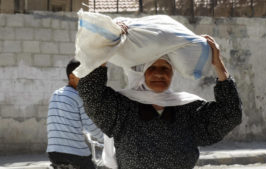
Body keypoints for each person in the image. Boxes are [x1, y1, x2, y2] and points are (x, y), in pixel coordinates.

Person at [77, 35, 242, 169]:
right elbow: (91, 93)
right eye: (152, 69)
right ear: (142, 74)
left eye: (165, 69)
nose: (159, 75)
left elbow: (231, 114)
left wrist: (219, 65)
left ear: (172, 74)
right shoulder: (122, 108)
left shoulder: (188, 109)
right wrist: (105, 49)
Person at [46, 59, 104, 169]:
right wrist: (109, 139)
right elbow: (91, 126)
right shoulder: (79, 97)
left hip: (53, 152)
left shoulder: (55, 95)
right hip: (76, 154)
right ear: (72, 77)